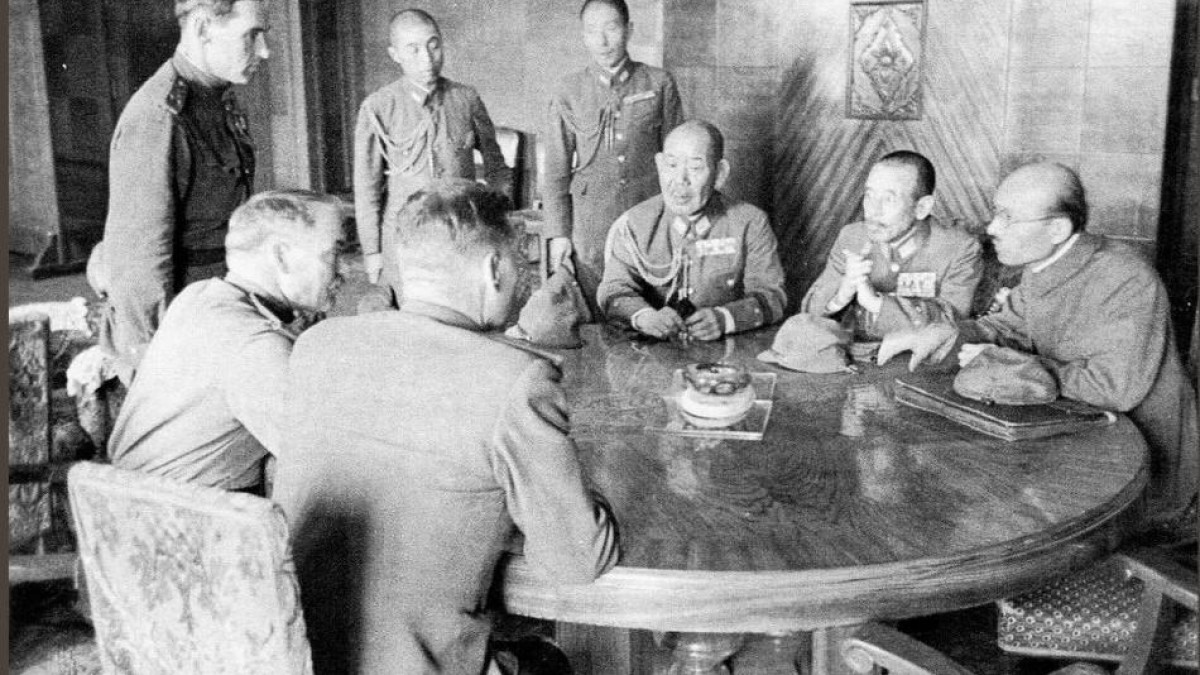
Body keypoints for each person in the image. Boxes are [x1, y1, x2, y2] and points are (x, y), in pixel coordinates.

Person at [273, 180, 620, 674]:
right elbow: (577, 560)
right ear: (494, 268)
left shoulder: (317, 345)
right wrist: (592, 488)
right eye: (519, 262)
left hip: (294, 656)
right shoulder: (516, 380)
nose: (523, 278)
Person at [878, 162, 1198, 534]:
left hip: (1144, 477)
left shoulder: (1124, 278)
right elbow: (1004, 329)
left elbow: (1113, 388)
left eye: (1008, 218)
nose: (992, 228)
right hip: (1076, 437)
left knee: (979, 517)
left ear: (1058, 229)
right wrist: (942, 334)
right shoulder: (1044, 264)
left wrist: (1004, 362)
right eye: (996, 213)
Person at [108, 190, 345, 495]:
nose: (344, 270)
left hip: (128, 505)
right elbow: (325, 462)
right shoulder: (253, 344)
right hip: (184, 515)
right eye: (333, 254)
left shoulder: (200, 296)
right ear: (281, 256)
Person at [88, 0, 268, 383]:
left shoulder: (214, 98)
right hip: (180, 325)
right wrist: (154, 361)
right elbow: (138, 261)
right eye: (251, 36)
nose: (264, 51)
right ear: (203, 28)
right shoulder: (159, 117)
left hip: (216, 307)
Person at [353, 8, 509, 306]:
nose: (427, 58)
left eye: (433, 45)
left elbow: (497, 168)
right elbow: (367, 189)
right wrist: (373, 253)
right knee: (409, 319)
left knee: (462, 314)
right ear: (395, 54)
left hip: (462, 238)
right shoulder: (378, 107)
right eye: (413, 49)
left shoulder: (466, 99)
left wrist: (494, 222)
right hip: (404, 243)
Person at [543, 0, 684, 314]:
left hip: (649, 219)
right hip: (591, 226)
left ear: (629, 30)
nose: (603, 41)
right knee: (596, 310)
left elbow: (677, 161)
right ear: (583, 36)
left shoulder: (659, 83)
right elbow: (555, 171)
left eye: (611, 28)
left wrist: (679, 222)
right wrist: (558, 234)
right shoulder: (568, 90)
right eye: (592, 31)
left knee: (651, 312)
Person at [597, 120, 787, 341]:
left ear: (720, 173)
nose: (680, 180)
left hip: (724, 349)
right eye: (672, 165)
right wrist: (644, 317)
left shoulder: (749, 222)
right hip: (651, 350)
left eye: (695, 168)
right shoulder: (635, 224)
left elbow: (773, 296)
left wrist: (725, 318)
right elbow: (613, 289)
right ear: (659, 165)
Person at [800, 150, 982, 339]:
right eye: (869, 196)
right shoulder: (853, 237)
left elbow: (953, 324)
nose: (873, 211)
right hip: (854, 351)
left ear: (922, 208)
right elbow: (809, 312)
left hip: (918, 354)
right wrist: (841, 294)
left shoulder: (959, 248)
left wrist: (876, 303)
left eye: (888, 199)